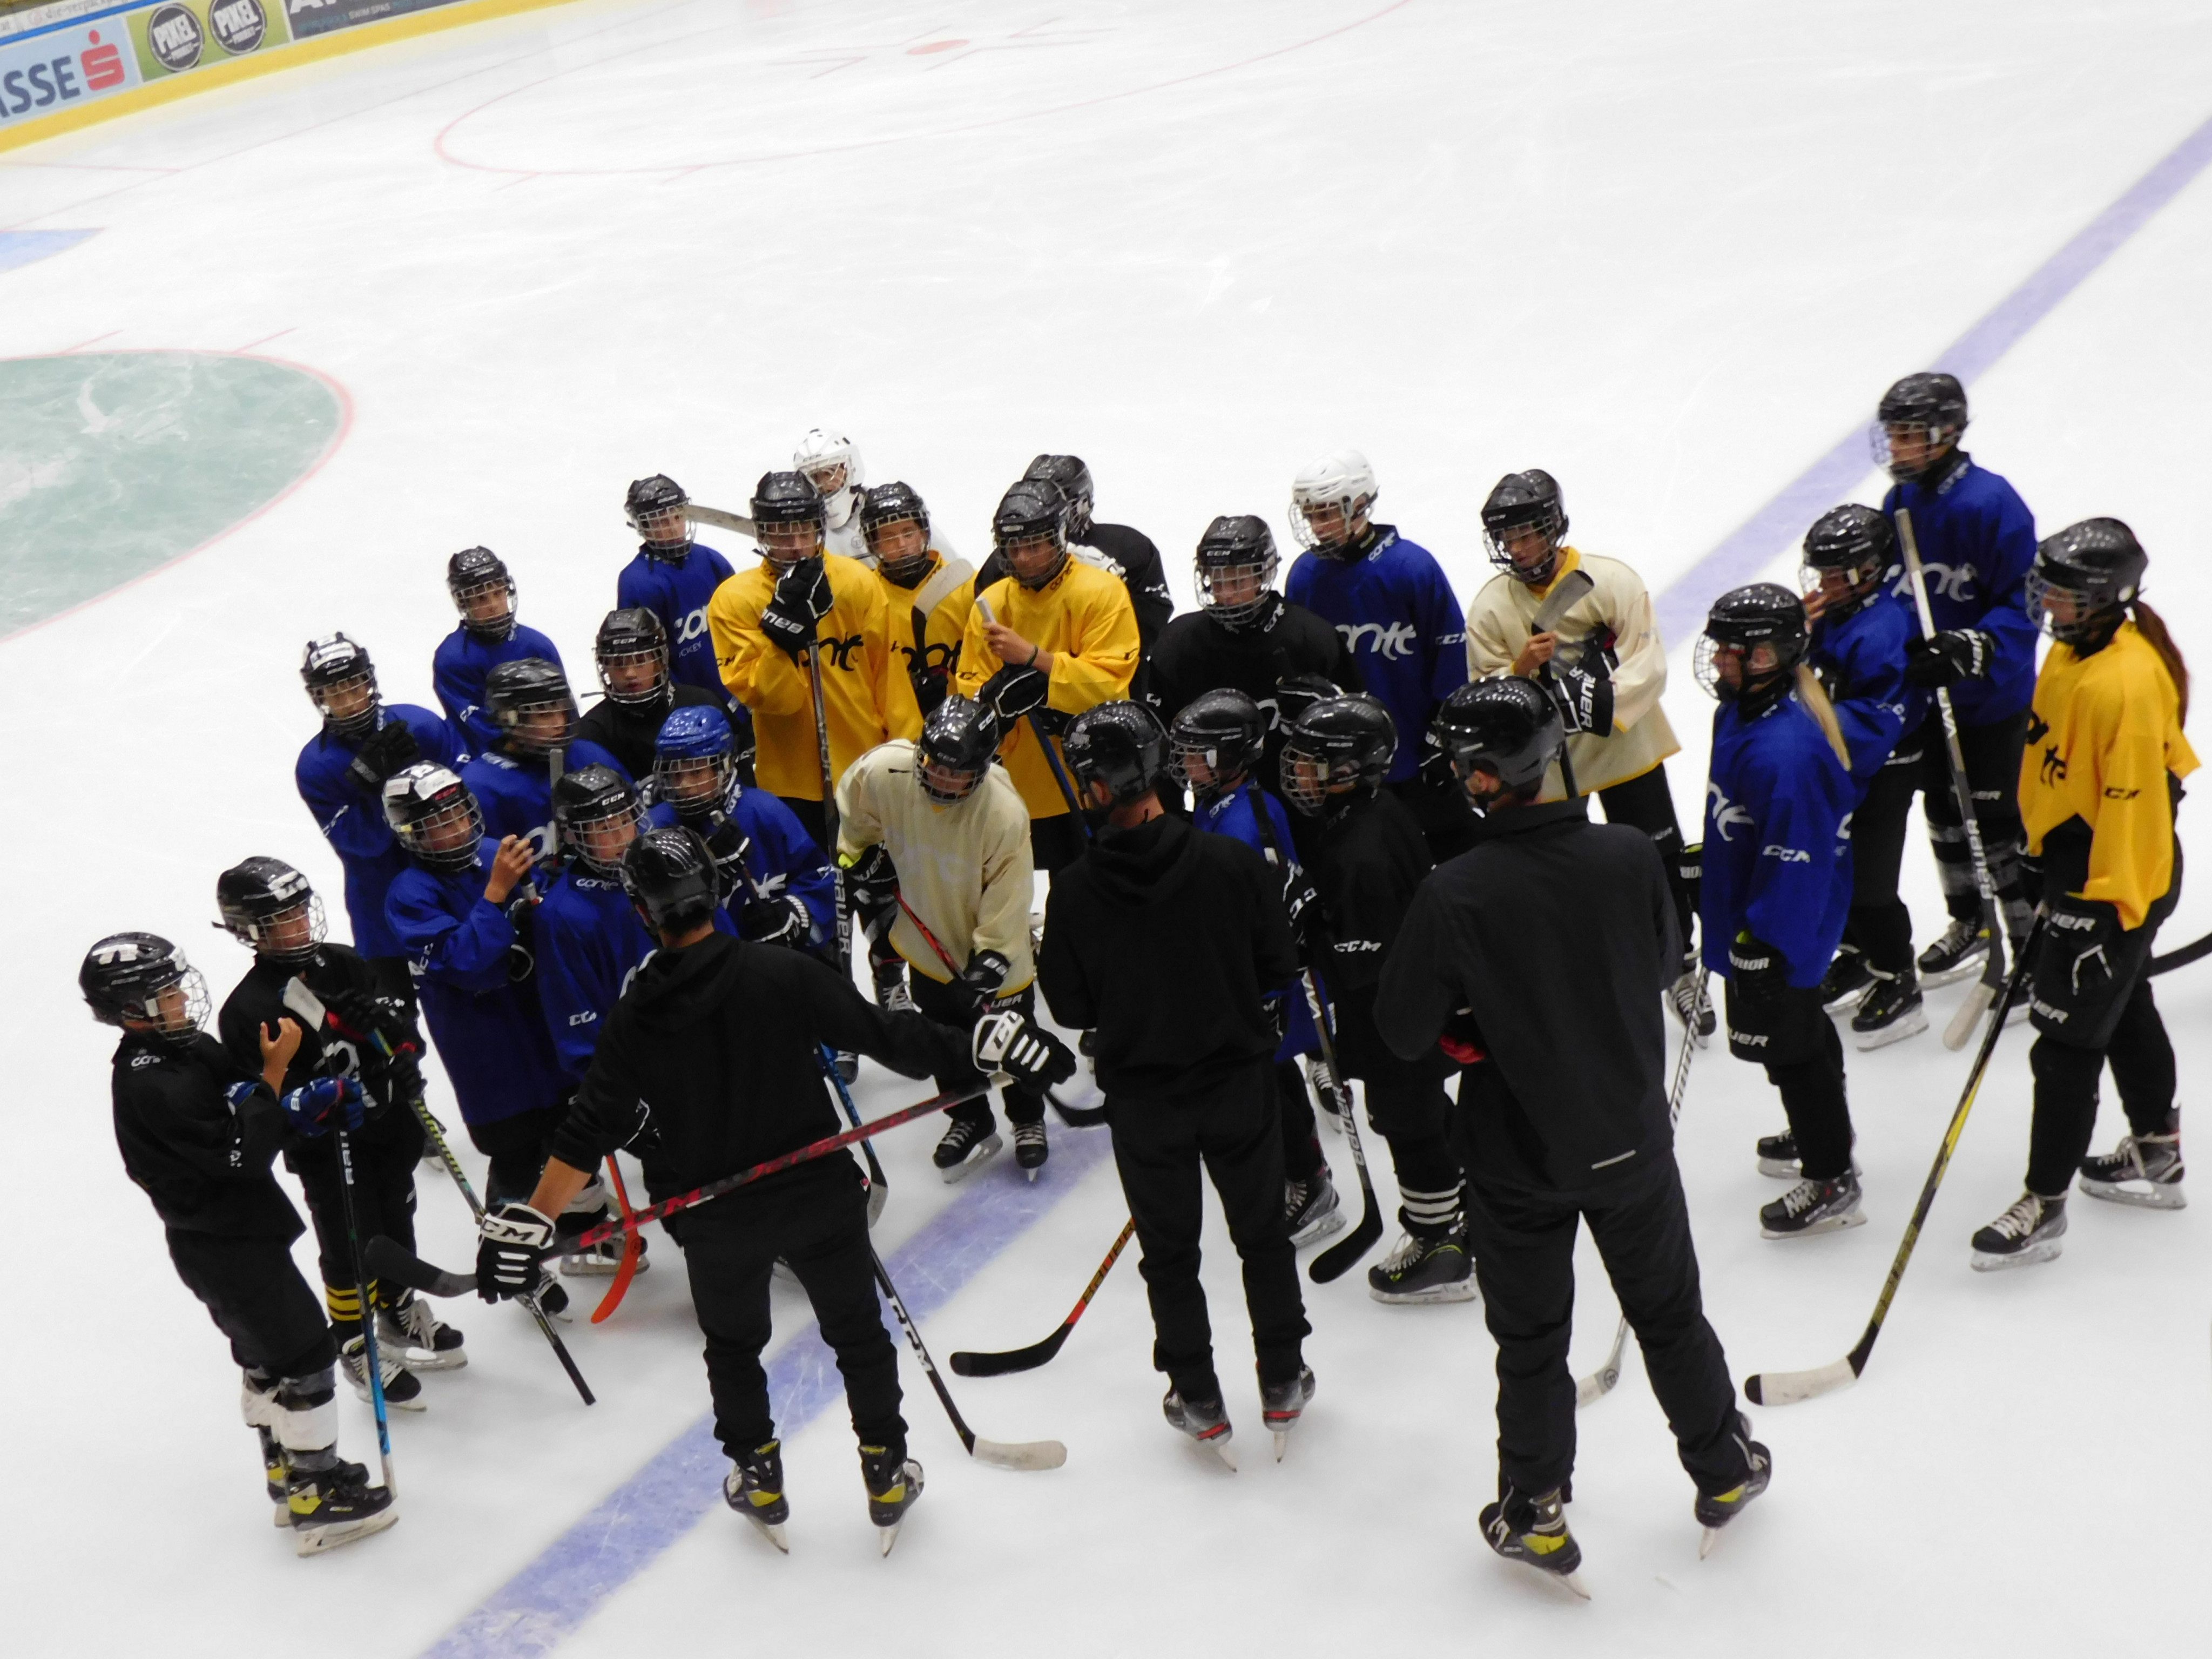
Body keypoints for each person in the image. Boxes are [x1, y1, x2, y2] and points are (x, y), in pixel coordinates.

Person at [471, 827, 1074, 1553]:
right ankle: (886, 1468)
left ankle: (758, 1476)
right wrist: (981, 1042)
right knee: (857, 1336)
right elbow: (892, 1038)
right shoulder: (781, 972)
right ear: (716, 891)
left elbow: (585, 1131)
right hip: (820, 1198)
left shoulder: (635, 1018)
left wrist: (536, 1220)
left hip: (715, 1221)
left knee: (732, 1349)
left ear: (642, 913)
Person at [1377, 677, 1770, 1589]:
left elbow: (1402, 1034)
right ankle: (1722, 1469)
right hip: (1631, 1136)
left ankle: (1535, 1506)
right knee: (1671, 1316)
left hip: (1517, 1158)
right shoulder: (1631, 852)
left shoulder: (1454, 892)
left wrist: (1468, 1027)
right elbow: (1666, 956)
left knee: (1532, 1341)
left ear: (1483, 775)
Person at [1038, 702, 1314, 1463]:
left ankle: (1196, 1393)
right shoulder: (1231, 866)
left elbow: (1069, 1004)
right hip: (1237, 1088)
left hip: (1146, 1103)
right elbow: (1278, 968)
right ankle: (1283, 1375)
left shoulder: (1075, 890)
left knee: (1171, 1256)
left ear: (1098, 787)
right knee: (1261, 1238)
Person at [84, 931, 396, 1554]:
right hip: (224, 1247)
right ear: (129, 1011)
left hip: (238, 1236)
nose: (180, 997)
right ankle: (317, 1498)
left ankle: (288, 1478)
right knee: (305, 1356)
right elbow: (244, 1152)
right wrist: (280, 1078)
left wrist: (302, 1101)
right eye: (163, 992)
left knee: (268, 1360)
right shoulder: (152, 1085)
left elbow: (250, 1094)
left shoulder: (186, 1048)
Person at [1971, 520, 2197, 1268]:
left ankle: (2046, 1202)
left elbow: (2137, 814)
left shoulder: (2127, 682)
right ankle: (2158, 1153)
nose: (2048, 602)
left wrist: (2102, 909)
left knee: (2065, 1045)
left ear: (2105, 599)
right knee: (2125, 1006)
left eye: (2064, 594)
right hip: (2077, 861)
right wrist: (2040, 861)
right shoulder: (2075, 649)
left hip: (2115, 876)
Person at [1462, 470, 1705, 1040]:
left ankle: (1682, 964)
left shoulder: (1611, 580)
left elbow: (1648, 660)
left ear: (1554, 526)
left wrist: (1596, 700)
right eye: (1509, 539)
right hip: (1545, 763)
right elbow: (1483, 685)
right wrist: (1519, 672)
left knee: (1659, 857)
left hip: (1624, 744)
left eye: (1529, 534)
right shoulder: (1492, 607)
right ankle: (1591, 971)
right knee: (1563, 873)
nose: (1519, 549)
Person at [213, 858, 462, 1410]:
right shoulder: (249, 1009)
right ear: (248, 931)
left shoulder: (344, 963)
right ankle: (354, 1342)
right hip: (328, 1148)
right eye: (281, 920)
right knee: (350, 1241)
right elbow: (261, 1099)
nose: (299, 926)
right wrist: (314, 1105)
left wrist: (403, 1055)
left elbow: (394, 1026)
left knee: (396, 1218)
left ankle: (397, 1310)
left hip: (387, 1124)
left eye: (301, 913)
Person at [380, 762, 613, 1277]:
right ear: (410, 835)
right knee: (516, 1155)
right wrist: (496, 897)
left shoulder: (494, 855)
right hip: (491, 1057)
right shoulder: (409, 894)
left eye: (460, 815)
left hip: (545, 1030)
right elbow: (462, 963)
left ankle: (583, 1226)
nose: (457, 830)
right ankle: (508, 1259)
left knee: (571, 1134)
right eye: (438, 825)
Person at [1280, 694, 1470, 1302]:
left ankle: (1438, 1242)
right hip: (1412, 1008)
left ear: (1347, 769)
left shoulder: (1361, 849)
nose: (1301, 773)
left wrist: (1311, 932)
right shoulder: (1374, 812)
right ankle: (1463, 1208)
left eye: (1314, 762)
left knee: (1405, 1121)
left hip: (1393, 1016)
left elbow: (1363, 958)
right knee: (1421, 1113)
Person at [1697, 585, 1862, 1235]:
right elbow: (1745, 814)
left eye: (1728, 652)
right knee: (1799, 1036)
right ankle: (1820, 1133)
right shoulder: (1740, 716)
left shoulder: (1785, 752)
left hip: (1782, 925)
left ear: (1766, 656)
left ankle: (1830, 1176)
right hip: (1756, 906)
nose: (1715, 663)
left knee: (1790, 1051)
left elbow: (1796, 858)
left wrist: (1766, 941)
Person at [835, 697, 1048, 1180]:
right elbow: (853, 806)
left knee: (1014, 1046)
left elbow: (1011, 894)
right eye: (935, 764)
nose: (944, 778)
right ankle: (969, 1117)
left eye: (959, 772)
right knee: (947, 1046)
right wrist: (859, 855)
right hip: (927, 950)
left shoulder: (1003, 813)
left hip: (997, 963)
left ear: (983, 766)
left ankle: (1029, 1118)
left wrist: (992, 958)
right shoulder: (887, 771)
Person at [1874, 372, 2040, 983]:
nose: (1897, 448)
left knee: (1997, 821)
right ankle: (1970, 922)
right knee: (1943, 807)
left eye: (1910, 436)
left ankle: (2028, 940)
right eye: (1892, 435)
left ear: (1945, 435)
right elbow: (1893, 593)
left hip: (1991, 699)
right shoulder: (1900, 505)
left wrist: (1973, 648)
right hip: (1930, 696)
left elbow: (2027, 602)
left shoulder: (1991, 503)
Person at [1166, 689, 1343, 1245]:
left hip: (1259, 987)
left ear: (1226, 757)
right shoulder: (1232, 805)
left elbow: (1261, 920)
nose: (1186, 764)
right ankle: (1302, 1173)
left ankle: (1311, 1184)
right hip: (1253, 983)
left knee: (1270, 1083)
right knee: (1271, 1080)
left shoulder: (1245, 825)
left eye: (1197, 753)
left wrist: (1256, 993)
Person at [707, 471, 918, 852]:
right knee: (816, 897)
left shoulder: (857, 582)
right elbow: (776, 699)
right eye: (782, 534)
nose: (797, 545)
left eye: (805, 531)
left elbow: (890, 679)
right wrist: (782, 637)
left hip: (867, 770)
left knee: (883, 897)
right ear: (762, 533)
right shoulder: (734, 601)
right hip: (789, 784)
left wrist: (903, 757)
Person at [1284, 449, 1473, 862]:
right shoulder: (1304, 576)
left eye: (1328, 513)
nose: (1318, 526)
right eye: (1311, 514)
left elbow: (1450, 657)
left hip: (1418, 761)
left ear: (1361, 504)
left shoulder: (1412, 568)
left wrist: (1442, 738)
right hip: (1343, 768)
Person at [954, 477, 1141, 874]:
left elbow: (1112, 682)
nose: (1023, 558)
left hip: (1092, 782)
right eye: (1013, 547)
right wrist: (995, 704)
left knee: (1092, 893)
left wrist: (1039, 663)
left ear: (1058, 538)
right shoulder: (991, 603)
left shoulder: (1101, 592)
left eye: (1034, 546)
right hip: (1017, 784)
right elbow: (969, 686)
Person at [1799, 505, 1930, 1046]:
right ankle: (1856, 956)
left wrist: (1814, 730)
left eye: (1837, 573)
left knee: (1872, 882)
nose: (1826, 583)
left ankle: (1899, 978)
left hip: (1882, 770)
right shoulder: (1838, 614)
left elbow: (1878, 717)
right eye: (1822, 572)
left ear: (1869, 570)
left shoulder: (1882, 628)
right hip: (1847, 767)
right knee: (1841, 870)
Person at [293, 633, 461, 997]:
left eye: (355, 686)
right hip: (379, 909)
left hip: (453, 885)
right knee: (396, 1026)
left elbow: (468, 800)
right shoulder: (316, 767)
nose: (351, 702)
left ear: (370, 681)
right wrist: (376, 787)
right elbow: (363, 844)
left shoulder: (420, 726)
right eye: (337, 694)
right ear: (319, 699)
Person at [1144, 514, 1357, 778]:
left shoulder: (1311, 639)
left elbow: (1355, 734)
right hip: (1218, 805)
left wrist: (1329, 713)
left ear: (1264, 575)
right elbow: (1163, 745)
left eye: (1237, 582)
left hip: (1299, 803)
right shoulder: (1178, 645)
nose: (1227, 595)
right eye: (1219, 582)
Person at [645, 705, 837, 952]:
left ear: (723, 768)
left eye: (696, 772)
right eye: (675, 774)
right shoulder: (656, 830)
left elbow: (818, 875)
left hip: (777, 965)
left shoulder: (764, 812)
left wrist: (795, 912)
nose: (685, 786)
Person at [991, 454, 1172, 695]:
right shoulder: (1009, 559)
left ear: (1084, 503)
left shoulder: (1130, 548)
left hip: (1107, 685)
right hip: (1023, 693)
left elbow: (1151, 621)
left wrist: (1079, 662)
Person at [460, 658, 625, 859]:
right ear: (509, 719)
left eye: (561, 710)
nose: (559, 723)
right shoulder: (481, 787)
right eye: (544, 714)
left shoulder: (589, 755)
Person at [432, 547, 564, 760]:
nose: (494, 606)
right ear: (464, 603)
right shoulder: (453, 658)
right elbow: (476, 725)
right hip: (488, 758)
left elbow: (563, 706)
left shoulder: (538, 645)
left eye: (498, 593)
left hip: (548, 748)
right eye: (482, 599)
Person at [618, 474, 740, 698]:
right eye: (662, 522)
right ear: (643, 526)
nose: (674, 528)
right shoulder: (637, 582)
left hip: (737, 690)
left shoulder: (711, 560)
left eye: (677, 517)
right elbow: (645, 660)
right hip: (688, 705)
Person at [864, 481, 976, 719]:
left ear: (924, 533)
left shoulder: (964, 586)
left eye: (908, 533)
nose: (902, 545)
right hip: (898, 739)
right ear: (873, 544)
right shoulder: (867, 598)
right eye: (889, 537)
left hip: (967, 727)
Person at [573, 606, 726, 779]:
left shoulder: (703, 704)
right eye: (619, 663)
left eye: (640, 661)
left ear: (659, 662)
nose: (630, 673)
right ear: (605, 667)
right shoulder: (592, 732)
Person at [793, 428, 870, 561]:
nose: (823, 484)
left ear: (851, 469)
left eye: (829, 473)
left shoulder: (878, 508)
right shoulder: (807, 528)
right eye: (815, 477)